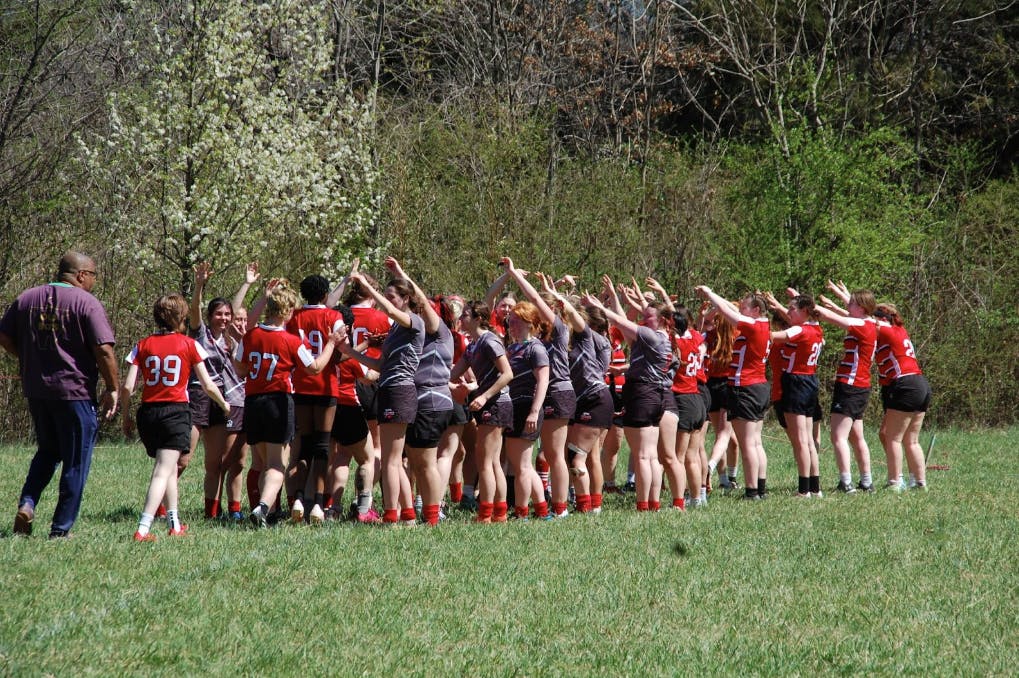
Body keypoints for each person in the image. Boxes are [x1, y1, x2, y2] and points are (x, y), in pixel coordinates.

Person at [1, 251, 119, 538]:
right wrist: (113, 388)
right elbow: (104, 349)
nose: (93, 281)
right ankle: (60, 529)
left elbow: (3, 336)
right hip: (75, 392)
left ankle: (27, 504)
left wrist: (27, 359)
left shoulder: (26, 299)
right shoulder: (86, 302)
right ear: (81, 275)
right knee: (76, 459)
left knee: (47, 451)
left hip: (37, 391)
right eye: (92, 276)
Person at [122, 293, 230, 541]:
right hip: (175, 412)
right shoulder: (189, 344)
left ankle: (175, 523)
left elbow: (128, 387)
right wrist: (224, 404)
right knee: (163, 470)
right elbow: (208, 385)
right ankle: (143, 528)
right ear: (182, 317)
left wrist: (126, 415)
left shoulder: (142, 344)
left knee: (169, 468)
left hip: (148, 412)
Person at [236, 280, 343, 528]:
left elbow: (239, 366)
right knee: (277, 464)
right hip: (278, 402)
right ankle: (263, 507)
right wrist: (330, 343)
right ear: (286, 311)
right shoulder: (291, 341)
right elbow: (315, 368)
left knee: (262, 463)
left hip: (252, 402)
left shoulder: (251, 335)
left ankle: (270, 514)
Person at [694, 286, 771, 500]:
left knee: (748, 444)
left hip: (745, 387)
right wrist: (717, 300)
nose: (741, 310)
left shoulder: (753, 326)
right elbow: (729, 309)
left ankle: (751, 490)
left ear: (755, 309)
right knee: (756, 442)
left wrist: (710, 293)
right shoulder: (764, 324)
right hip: (760, 386)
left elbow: (727, 312)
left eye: (745, 307)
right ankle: (760, 488)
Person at [189, 262, 249, 521]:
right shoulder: (200, 335)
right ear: (210, 315)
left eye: (227, 314)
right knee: (213, 463)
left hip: (232, 401)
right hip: (208, 399)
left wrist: (247, 284)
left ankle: (233, 510)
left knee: (235, 461)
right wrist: (200, 284)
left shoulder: (234, 339)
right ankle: (211, 512)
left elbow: (237, 312)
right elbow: (194, 311)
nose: (224, 318)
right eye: (219, 314)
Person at [286, 274, 345, 525]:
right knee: (322, 446)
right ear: (324, 295)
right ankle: (319, 504)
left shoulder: (295, 316)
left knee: (304, 445)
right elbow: (343, 351)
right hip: (325, 386)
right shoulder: (334, 317)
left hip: (300, 385)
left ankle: (299, 497)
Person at [449, 301, 513, 523]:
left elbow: (507, 374)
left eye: (466, 314)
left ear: (478, 318)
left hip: (496, 403)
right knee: (491, 461)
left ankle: (486, 513)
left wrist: (484, 396)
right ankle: (498, 512)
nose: (461, 318)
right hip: (486, 403)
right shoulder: (473, 345)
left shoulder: (489, 340)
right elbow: (453, 373)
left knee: (485, 460)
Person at [816, 281, 878, 493]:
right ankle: (867, 481)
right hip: (860, 386)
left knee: (838, 436)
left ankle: (846, 482)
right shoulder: (867, 322)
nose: (848, 304)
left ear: (861, 308)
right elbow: (847, 310)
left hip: (850, 386)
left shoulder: (861, 325)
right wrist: (838, 293)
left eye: (852, 302)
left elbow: (833, 318)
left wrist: (810, 306)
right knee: (855, 436)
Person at [765, 291, 824, 498]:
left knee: (801, 440)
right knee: (807, 439)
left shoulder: (800, 330)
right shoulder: (816, 329)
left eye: (792, 308)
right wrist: (778, 306)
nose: (788, 311)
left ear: (805, 311)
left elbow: (774, 336)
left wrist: (753, 325)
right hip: (809, 382)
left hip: (796, 383)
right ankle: (815, 487)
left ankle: (803, 489)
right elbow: (795, 323)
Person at [874, 303, 932, 491]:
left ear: (882, 319)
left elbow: (858, 319)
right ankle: (919, 482)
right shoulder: (899, 330)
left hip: (905, 384)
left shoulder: (887, 329)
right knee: (910, 439)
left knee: (893, 438)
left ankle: (895, 482)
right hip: (920, 384)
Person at [503, 301, 552, 520]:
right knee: (521, 463)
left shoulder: (536, 348)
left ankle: (521, 513)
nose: (511, 326)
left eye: (515, 322)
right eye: (509, 322)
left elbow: (543, 381)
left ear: (529, 323)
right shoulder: (513, 348)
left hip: (527, 408)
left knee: (521, 465)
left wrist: (534, 411)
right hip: (514, 407)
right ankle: (542, 510)